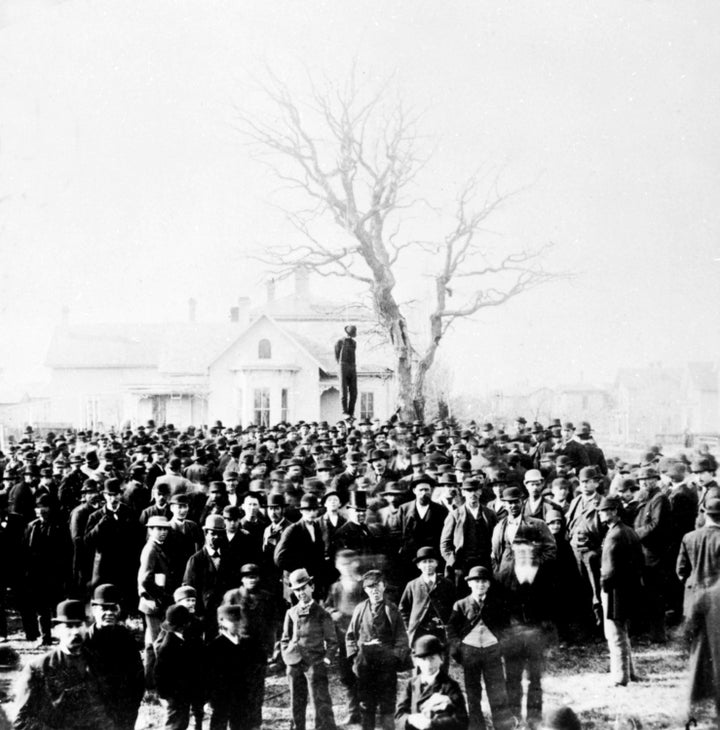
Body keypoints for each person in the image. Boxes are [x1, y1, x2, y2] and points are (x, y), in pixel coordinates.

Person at [14, 599, 115, 730]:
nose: (75, 632)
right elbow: (21, 720)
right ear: (56, 630)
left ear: (86, 626)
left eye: (79, 625)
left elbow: (111, 707)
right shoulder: (39, 668)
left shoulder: (99, 662)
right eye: (68, 626)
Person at [446, 565, 515, 730]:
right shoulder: (460, 605)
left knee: (497, 691)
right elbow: (451, 630)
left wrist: (501, 646)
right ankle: (477, 726)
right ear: (470, 584)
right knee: (472, 692)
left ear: (489, 584)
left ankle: (502, 726)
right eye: (476, 582)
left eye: (484, 581)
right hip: (470, 652)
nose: (480, 585)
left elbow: (506, 629)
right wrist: (458, 649)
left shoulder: (497, 604)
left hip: (492, 651)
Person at [345, 569, 410, 730]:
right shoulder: (360, 609)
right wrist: (356, 657)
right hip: (365, 664)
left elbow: (402, 638)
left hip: (386, 664)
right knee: (366, 703)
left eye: (377, 585)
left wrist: (394, 656)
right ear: (365, 590)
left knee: (387, 703)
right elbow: (350, 636)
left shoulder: (392, 609)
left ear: (384, 586)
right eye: (370, 587)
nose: (374, 590)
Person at [281, 568, 338, 730]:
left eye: (304, 588)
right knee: (296, 700)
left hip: (315, 662)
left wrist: (326, 659)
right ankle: (297, 727)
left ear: (311, 587)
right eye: (297, 590)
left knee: (319, 700)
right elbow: (285, 638)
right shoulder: (291, 612)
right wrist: (287, 656)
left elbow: (332, 641)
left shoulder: (322, 614)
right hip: (294, 662)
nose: (301, 593)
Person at [85, 583, 145, 730]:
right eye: (104, 608)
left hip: (125, 708)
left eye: (114, 608)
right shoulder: (85, 641)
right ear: (94, 609)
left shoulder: (125, 636)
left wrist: (134, 702)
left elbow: (137, 673)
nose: (110, 613)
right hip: (96, 710)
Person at [598, 496, 643, 687]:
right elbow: (640, 561)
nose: (601, 514)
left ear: (614, 511)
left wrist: (603, 587)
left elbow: (608, 570)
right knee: (623, 632)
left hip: (614, 591)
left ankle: (620, 676)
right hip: (628, 588)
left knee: (614, 634)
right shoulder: (629, 531)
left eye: (604, 510)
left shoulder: (613, 535)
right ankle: (630, 672)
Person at [206, 603, 265, 730]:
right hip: (222, 698)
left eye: (238, 619)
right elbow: (210, 677)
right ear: (221, 621)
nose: (236, 623)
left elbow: (257, 671)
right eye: (232, 620)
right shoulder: (215, 647)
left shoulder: (248, 644)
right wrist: (209, 700)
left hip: (243, 698)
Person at [395, 634, 469, 730]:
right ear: (416, 661)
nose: (428, 664)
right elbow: (399, 716)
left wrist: (432, 724)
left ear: (441, 659)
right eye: (423, 659)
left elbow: (462, 721)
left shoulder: (449, 685)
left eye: (432, 658)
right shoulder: (411, 684)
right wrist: (410, 719)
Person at [399, 547, 455, 647]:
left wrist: (450, 625)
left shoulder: (447, 584)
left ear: (436, 563)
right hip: (419, 630)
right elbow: (403, 609)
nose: (428, 565)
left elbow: (454, 606)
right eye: (424, 562)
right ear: (418, 565)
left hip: (441, 630)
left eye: (431, 561)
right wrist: (408, 627)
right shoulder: (412, 585)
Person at [154, 604, 198, 730]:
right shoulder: (167, 646)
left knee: (182, 721)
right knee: (174, 723)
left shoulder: (185, 639)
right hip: (173, 693)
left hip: (183, 690)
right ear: (185, 625)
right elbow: (158, 672)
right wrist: (163, 695)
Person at [335, 324, 358, 418]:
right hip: (343, 365)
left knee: (354, 391)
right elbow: (336, 354)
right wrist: (341, 365)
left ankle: (351, 412)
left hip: (352, 365)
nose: (350, 336)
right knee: (344, 390)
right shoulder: (340, 342)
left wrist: (351, 366)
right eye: (350, 334)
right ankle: (344, 411)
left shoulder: (354, 343)